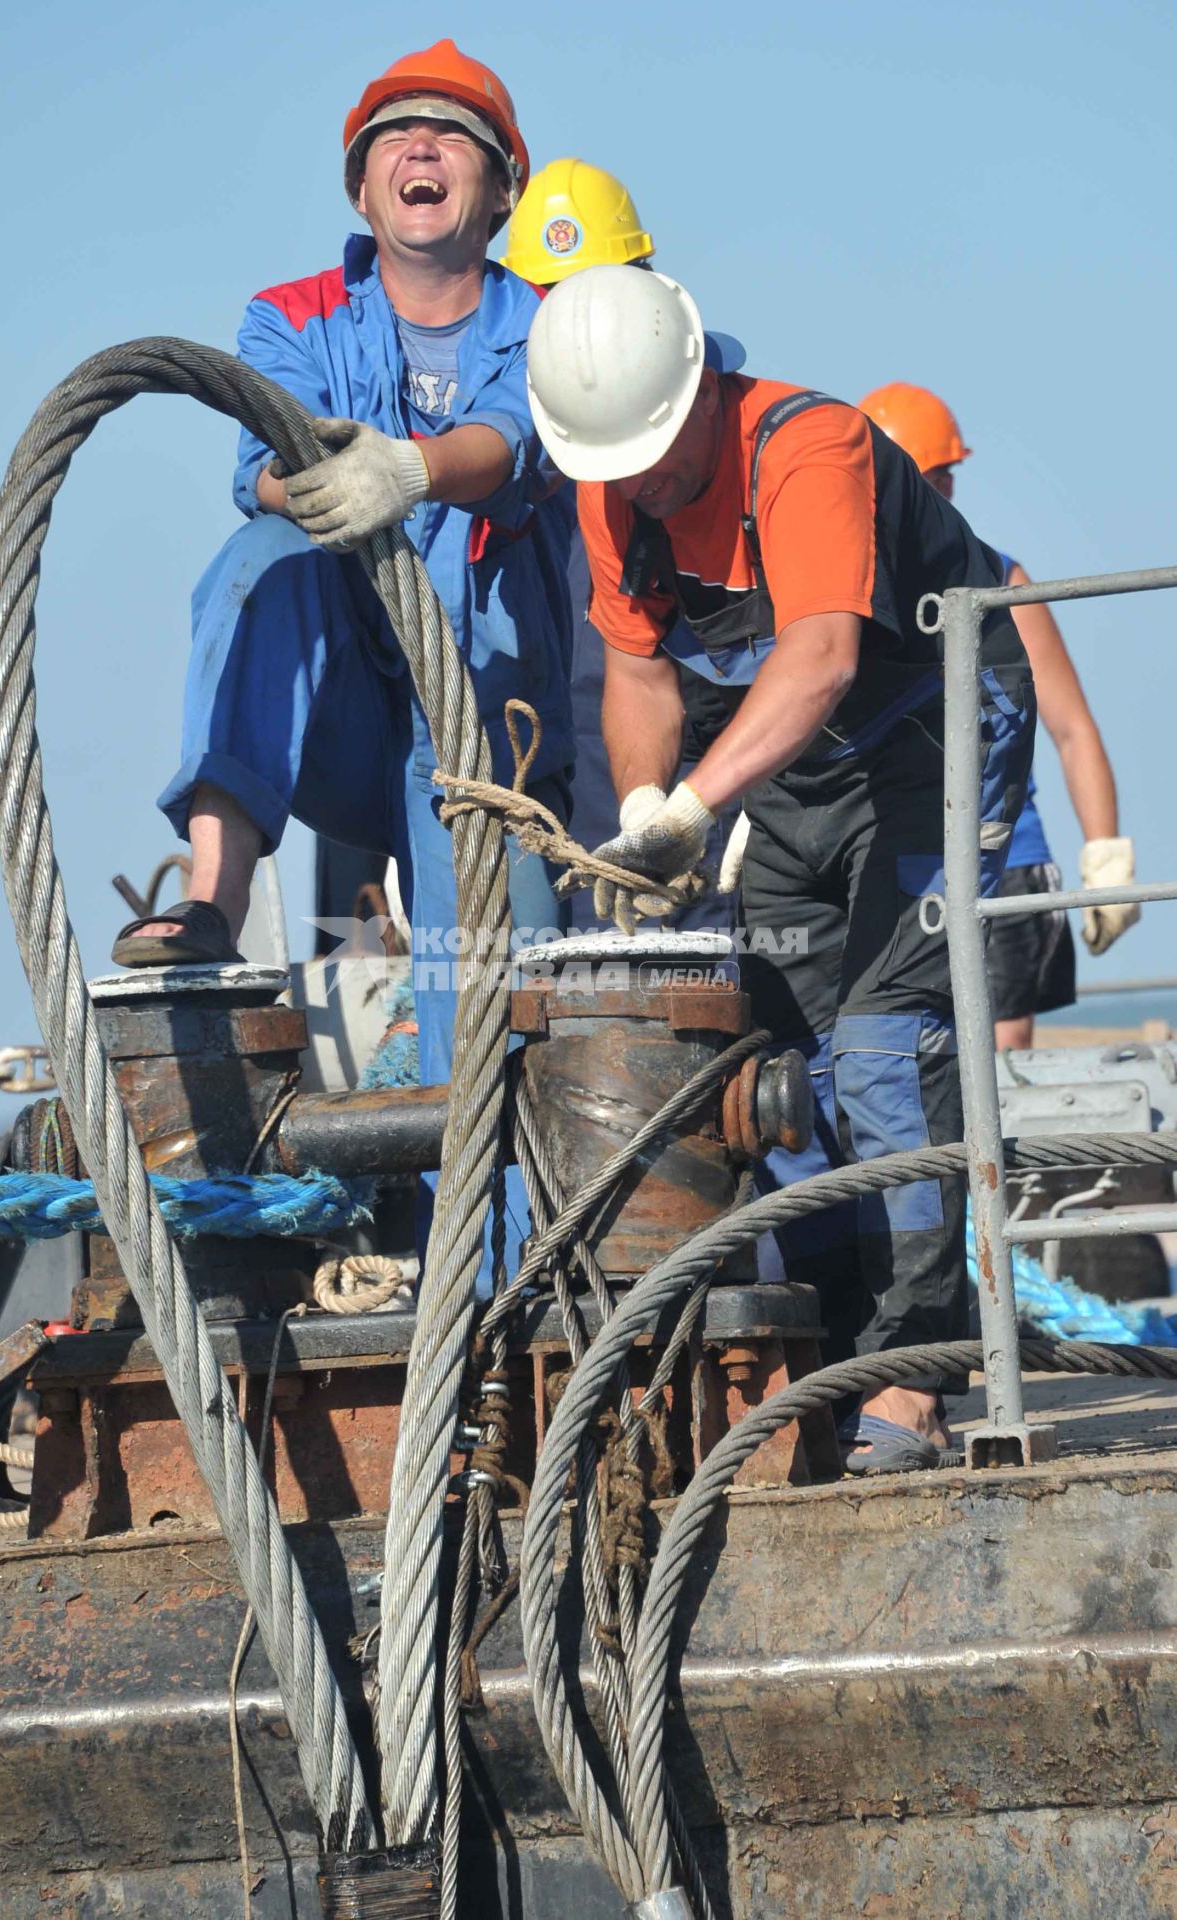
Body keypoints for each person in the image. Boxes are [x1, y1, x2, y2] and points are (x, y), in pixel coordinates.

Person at [526, 266, 1035, 1471]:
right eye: (612, 467)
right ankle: (825, 1354)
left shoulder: (809, 451)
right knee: (784, 1066)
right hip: (800, 773)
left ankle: (914, 1374)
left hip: (933, 739)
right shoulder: (610, 490)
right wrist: (648, 799)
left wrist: (695, 803)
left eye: (648, 456)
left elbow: (812, 659)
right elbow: (641, 676)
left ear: (700, 387)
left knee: (883, 1049)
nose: (635, 482)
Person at [111, 40, 575, 1262]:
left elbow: (519, 442)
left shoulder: (550, 327)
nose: (420, 149)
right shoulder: (293, 315)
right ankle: (213, 896)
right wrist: (300, 477)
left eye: (452, 135)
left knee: (487, 1001)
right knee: (259, 563)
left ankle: (495, 1299)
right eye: (393, 138)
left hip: (478, 724)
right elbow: (256, 464)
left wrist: (415, 468)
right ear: (363, 192)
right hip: (337, 704)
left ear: (501, 186)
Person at [503, 158, 748, 931]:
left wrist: (756, 801)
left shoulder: (703, 412)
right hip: (570, 770)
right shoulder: (499, 445)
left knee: (706, 973)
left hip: (701, 759)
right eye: (548, 297)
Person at [860, 382, 1138, 1048]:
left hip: (1006, 856)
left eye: (945, 477)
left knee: (1001, 1068)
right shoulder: (849, 592)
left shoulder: (1002, 581)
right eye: (934, 476)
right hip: (891, 857)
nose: (943, 492)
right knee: (901, 1057)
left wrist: (1106, 859)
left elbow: (1072, 730)